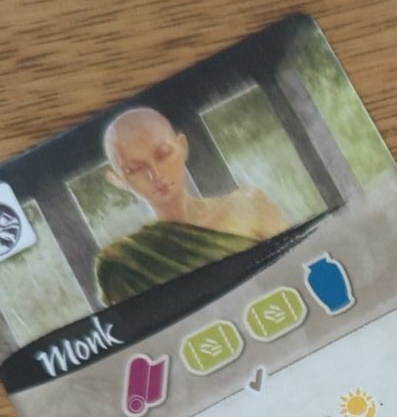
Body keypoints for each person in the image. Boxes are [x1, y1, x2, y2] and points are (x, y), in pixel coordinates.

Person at [92, 106, 288, 304]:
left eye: (163, 154)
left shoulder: (249, 205)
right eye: (134, 169)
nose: (155, 174)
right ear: (118, 180)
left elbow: (295, 266)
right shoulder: (122, 264)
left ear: (182, 147)